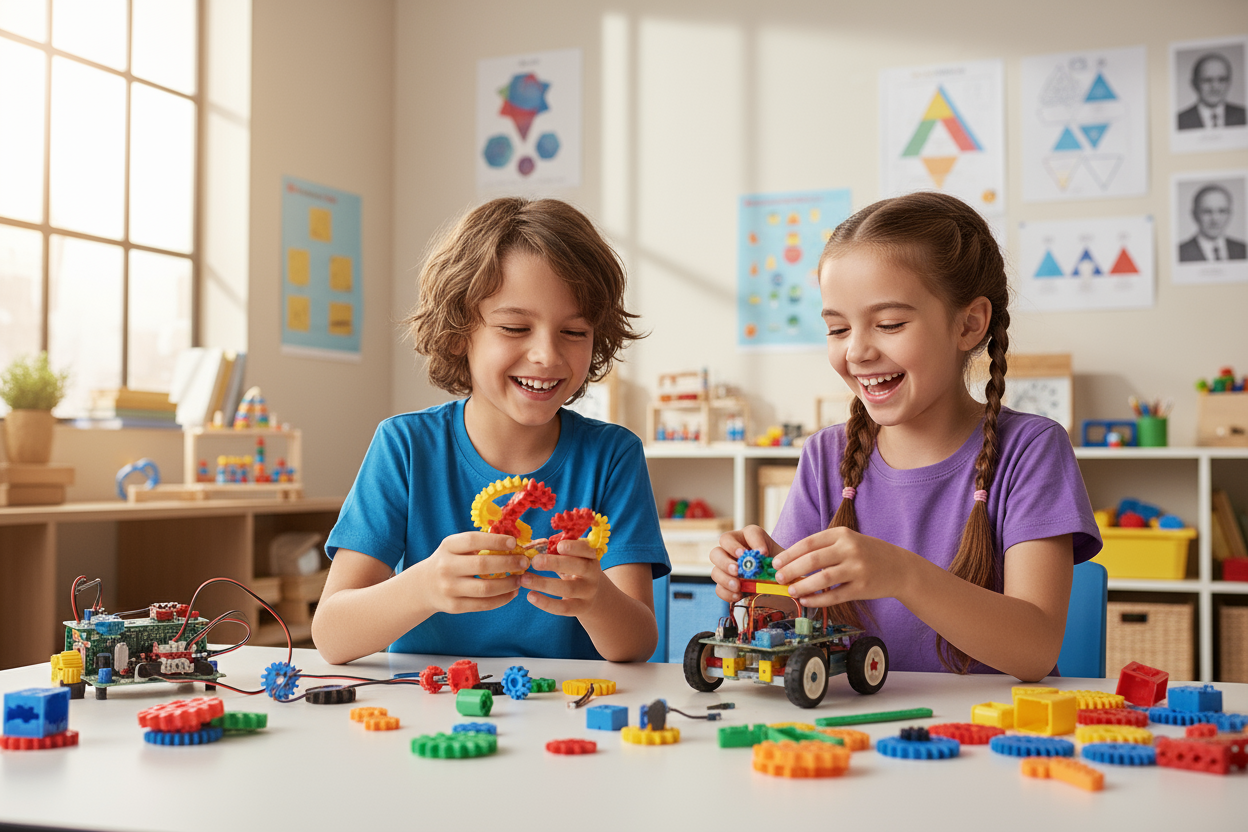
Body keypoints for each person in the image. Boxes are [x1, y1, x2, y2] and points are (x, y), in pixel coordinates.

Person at [708, 192, 1101, 681]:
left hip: (987, 738)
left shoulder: (1031, 449)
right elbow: (793, 617)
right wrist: (757, 573)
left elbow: (1035, 650)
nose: (856, 351)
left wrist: (901, 574)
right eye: (837, 328)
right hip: (856, 739)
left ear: (969, 324)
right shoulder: (826, 455)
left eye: (889, 324)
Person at [313, 197, 670, 665]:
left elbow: (639, 643)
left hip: (566, 716)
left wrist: (596, 597)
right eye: (515, 327)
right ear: (460, 331)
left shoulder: (612, 456)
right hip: (429, 715)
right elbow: (331, 637)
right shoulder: (405, 448)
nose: (546, 354)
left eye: (575, 332)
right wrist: (423, 586)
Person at [1177, 52, 1247, 130]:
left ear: (1229, 82)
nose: (1215, 87)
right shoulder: (1179, 121)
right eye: (1207, 80)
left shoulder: (1244, 115)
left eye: (1222, 80)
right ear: (1194, 83)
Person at [1178, 184, 1248, 262]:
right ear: (1194, 215)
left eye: (1222, 211)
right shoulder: (1179, 253)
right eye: (1207, 212)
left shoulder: (1243, 250)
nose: (1215, 219)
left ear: (1230, 214)